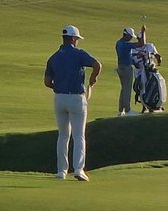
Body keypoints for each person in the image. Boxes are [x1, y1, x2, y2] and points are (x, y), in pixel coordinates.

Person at [43, 24, 102, 181]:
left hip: (59, 98)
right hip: (76, 98)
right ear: (74, 38)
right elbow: (97, 65)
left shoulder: (53, 57)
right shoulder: (79, 54)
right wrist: (93, 78)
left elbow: (47, 82)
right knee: (79, 135)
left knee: (63, 135)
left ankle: (61, 171)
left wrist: (59, 87)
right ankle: (78, 169)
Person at [114, 26, 138, 116]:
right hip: (126, 68)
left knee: (123, 89)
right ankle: (128, 110)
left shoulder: (118, 43)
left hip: (120, 67)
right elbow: (140, 44)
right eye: (130, 36)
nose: (131, 38)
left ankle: (121, 110)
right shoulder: (125, 44)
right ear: (126, 35)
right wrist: (143, 32)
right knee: (127, 89)